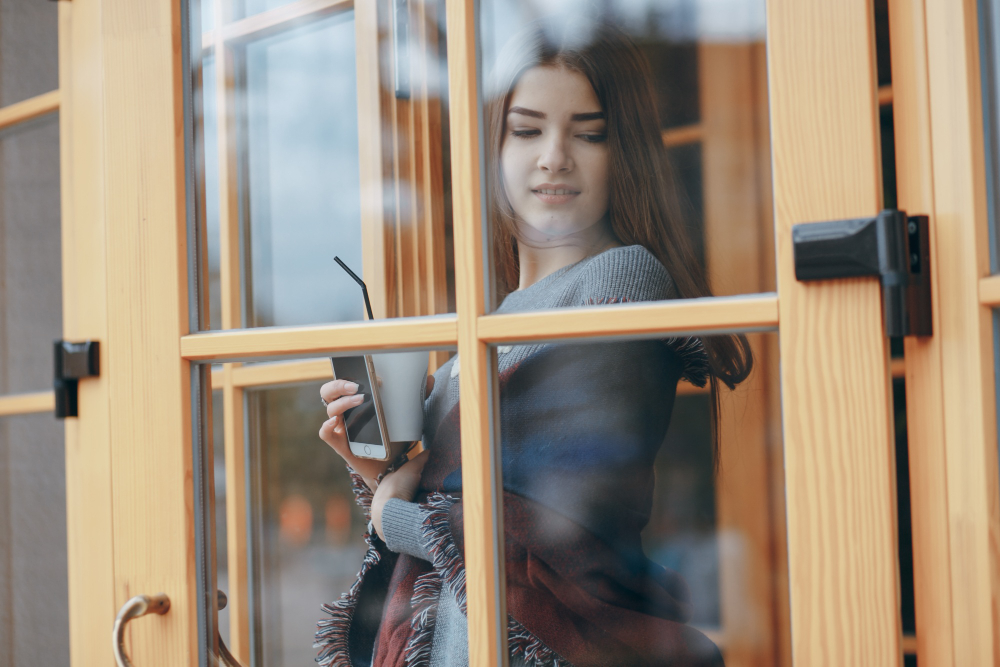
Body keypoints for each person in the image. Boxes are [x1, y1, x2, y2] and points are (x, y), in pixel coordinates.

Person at [315, 19, 752, 667]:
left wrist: (391, 509)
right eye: (527, 130)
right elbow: (457, 511)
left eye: (589, 133)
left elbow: (547, 534)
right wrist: (380, 467)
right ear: (493, 150)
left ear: (622, 151)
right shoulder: (490, 323)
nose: (553, 156)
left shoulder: (620, 277)